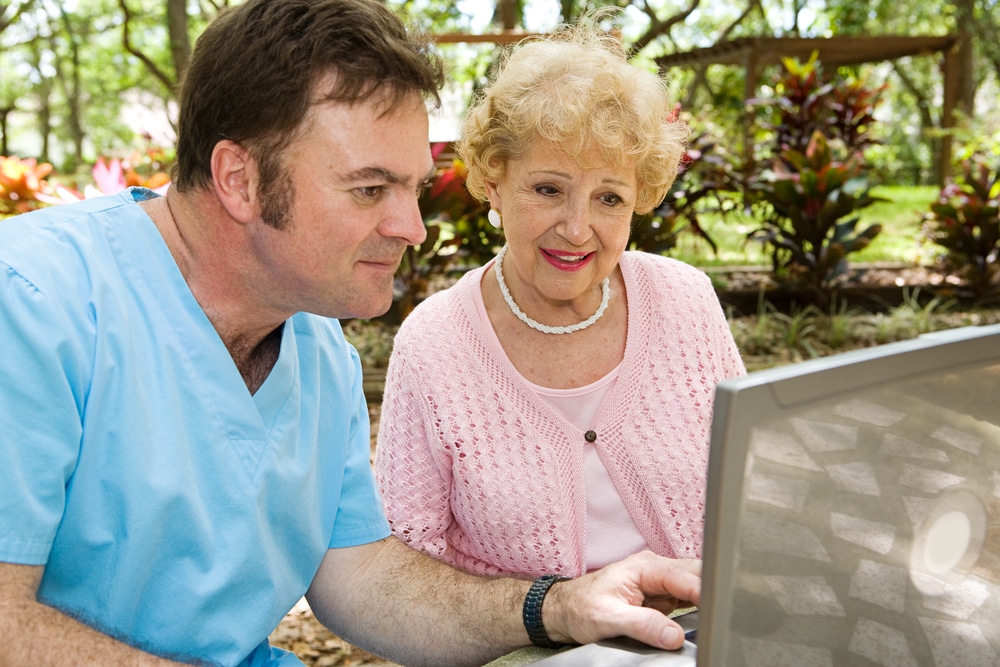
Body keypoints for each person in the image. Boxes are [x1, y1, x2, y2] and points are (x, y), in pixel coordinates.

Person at [0, 1, 703, 666]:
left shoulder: (315, 348)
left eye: (414, 189)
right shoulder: (33, 305)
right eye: (370, 189)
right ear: (239, 179)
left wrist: (556, 606)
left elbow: (362, 577)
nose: (413, 228)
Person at [374, 14, 745, 580]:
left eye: (610, 199)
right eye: (549, 189)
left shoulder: (686, 302)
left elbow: (750, 478)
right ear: (494, 180)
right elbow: (406, 560)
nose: (577, 228)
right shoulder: (434, 343)